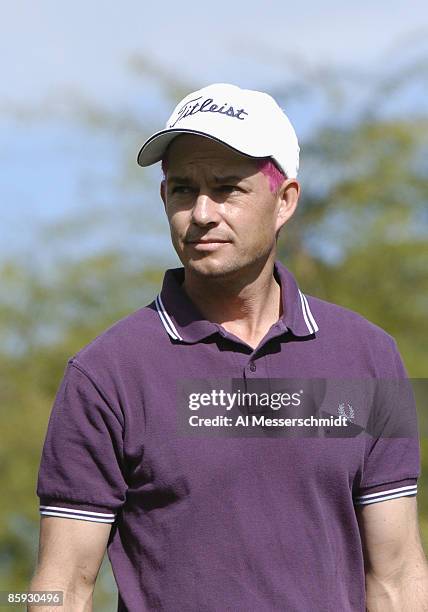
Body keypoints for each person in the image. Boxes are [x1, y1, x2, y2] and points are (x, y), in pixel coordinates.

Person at [30, 83, 428, 611]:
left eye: (226, 189)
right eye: (182, 189)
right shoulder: (106, 375)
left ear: (284, 202)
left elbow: (397, 574)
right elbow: (62, 586)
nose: (201, 213)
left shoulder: (369, 359)